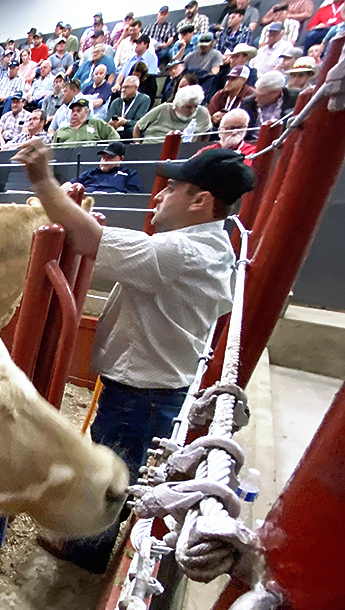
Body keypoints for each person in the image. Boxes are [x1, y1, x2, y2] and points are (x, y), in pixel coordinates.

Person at [16, 140, 255, 575]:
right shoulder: (213, 247)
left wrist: (42, 180)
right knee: (119, 465)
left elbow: (87, 237)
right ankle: (89, 543)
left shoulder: (179, 252)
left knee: (115, 472)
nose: (160, 194)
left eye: (174, 187)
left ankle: (86, 553)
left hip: (140, 393)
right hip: (156, 388)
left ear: (200, 201)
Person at [134, 85, 211, 141]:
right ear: (178, 105)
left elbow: (207, 133)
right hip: (153, 147)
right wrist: (138, 146)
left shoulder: (202, 113)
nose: (192, 110)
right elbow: (137, 127)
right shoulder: (163, 109)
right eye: (188, 107)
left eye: (196, 106)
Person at [74, 141, 142, 193]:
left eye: (110, 157)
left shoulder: (129, 174)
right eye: (103, 157)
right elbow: (69, 184)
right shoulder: (91, 173)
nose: (105, 160)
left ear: (121, 159)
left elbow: (132, 197)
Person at [53, 97, 118, 144]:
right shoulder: (60, 131)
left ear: (87, 112)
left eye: (78, 110)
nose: (75, 113)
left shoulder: (97, 124)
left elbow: (115, 137)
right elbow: (53, 151)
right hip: (65, 160)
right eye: (73, 111)